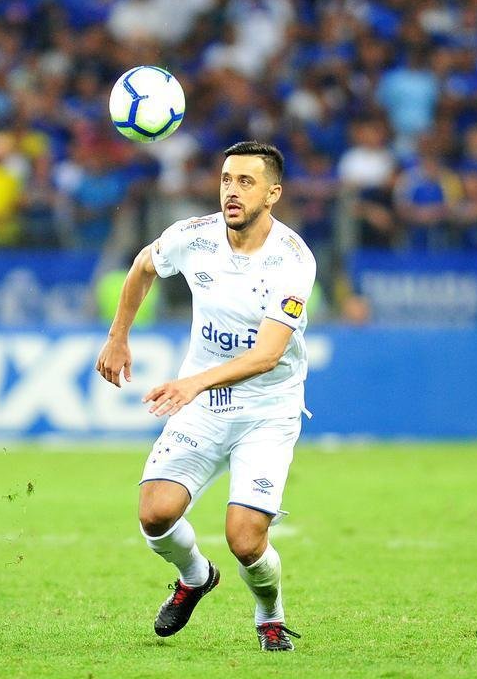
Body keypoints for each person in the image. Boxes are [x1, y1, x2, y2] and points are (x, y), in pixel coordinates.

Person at [95, 141, 315, 651]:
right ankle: (195, 577)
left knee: (244, 538)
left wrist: (192, 382)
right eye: (225, 180)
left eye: (246, 182)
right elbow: (142, 266)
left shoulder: (292, 260)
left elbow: (266, 356)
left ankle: (270, 615)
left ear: (273, 194)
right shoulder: (193, 237)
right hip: (207, 409)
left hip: (267, 409)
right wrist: (118, 336)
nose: (231, 192)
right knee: (154, 513)